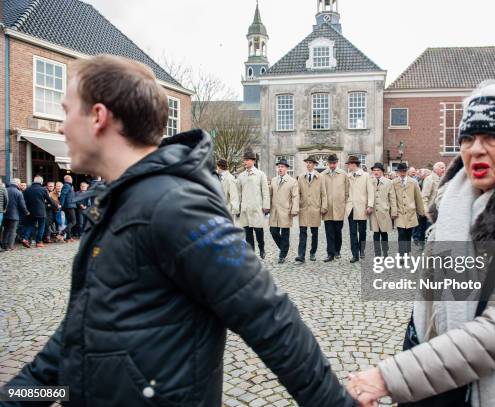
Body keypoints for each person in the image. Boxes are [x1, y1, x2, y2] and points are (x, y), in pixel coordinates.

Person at [2, 55, 355, 406]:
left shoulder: (175, 206)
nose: (62, 126)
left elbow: (270, 320)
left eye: (67, 111)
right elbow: (76, 339)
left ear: (98, 116)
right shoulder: (118, 203)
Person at [348, 82, 495, 406]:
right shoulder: (457, 205)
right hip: (457, 386)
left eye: (494, 136)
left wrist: (388, 377)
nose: (476, 149)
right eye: (468, 138)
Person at [236, 150, 270, 259]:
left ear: (253, 161)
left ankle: (262, 248)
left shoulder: (260, 175)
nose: (244, 162)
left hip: (257, 208)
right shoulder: (241, 176)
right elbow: (238, 194)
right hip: (245, 209)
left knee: (259, 232)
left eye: (247, 160)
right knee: (248, 234)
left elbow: (265, 192)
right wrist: (238, 208)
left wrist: (266, 206)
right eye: (244, 160)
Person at [296, 156, 327, 263]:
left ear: (314, 165)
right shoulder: (301, 177)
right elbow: (297, 193)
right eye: (307, 162)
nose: (308, 164)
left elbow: (324, 194)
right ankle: (301, 255)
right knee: (302, 232)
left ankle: (313, 252)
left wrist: (323, 206)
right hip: (303, 208)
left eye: (310, 163)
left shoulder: (320, 177)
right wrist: (297, 206)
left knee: (314, 233)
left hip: (315, 208)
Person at [269, 159, 299, 264]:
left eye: (282, 167)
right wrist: (266, 207)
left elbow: (295, 196)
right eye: (279, 167)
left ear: (286, 168)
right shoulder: (273, 180)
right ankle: (284, 247)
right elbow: (270, 195)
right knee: (273, 231)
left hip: (286, 211)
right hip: (274, 211)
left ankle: (282, 255)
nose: (280, 168)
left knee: (285, 233)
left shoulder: (292, 181)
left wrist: (294, 209)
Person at [393, 163, 425, 257]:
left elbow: (418, 197)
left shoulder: (413, 182)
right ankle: (402, 254)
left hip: (411, 212)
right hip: (399, 212)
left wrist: (421, 211)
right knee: (401, 233)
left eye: (404, 171)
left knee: (408, 234)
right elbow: (392, 197)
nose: (402, 173)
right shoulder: (394, 182)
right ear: (398, 172)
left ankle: (407, 251)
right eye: (400, 171)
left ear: (406, 171)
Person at [321, 154, 349, 262]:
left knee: (338, 231)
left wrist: (345, 205)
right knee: (329, 232)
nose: (332, 165)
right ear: (327, 163)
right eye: (330, 163)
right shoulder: (323, 174)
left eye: (334, 163)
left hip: (339, 207)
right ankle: (330, 253)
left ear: (337, 163)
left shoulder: (343, 174)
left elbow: (347, 192)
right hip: (327, 208)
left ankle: (337, 250)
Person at [346, 155, 374, 263]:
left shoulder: (366, 176)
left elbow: (370, 191)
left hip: (362, 207)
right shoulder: (348, 176)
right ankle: (355, 254)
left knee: (362, 231)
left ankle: (362, 249)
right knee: (352, 233)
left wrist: (370, 205)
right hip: (351, 208)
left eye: (349, 164)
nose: (348, 166)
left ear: (354, 164)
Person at [369, 163, 397, 258]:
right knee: (375, 234)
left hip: (384, 212)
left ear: (382, 172)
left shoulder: (389, 182)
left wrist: (393, 212)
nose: (376, 172)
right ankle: (377, 255)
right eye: (374, 170)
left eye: (378, 170)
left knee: (384, 234)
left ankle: (385, 253)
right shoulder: (370, 181)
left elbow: (392, 198)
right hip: (373, 213)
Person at [22, 175, 57, 248]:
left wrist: (26, 211)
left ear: (34, 181)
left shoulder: (27, 189)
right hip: (41, 211)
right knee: (41, 226)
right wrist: (56, 206)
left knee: (30, 225)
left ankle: (25, 239)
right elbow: (49, 200)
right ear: (41, 182)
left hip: (30, 211)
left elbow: (24, 201)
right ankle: (38, 242)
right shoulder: (43, 189)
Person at [1, 178, 28, 250]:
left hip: (5, 213)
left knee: (5, 230)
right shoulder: (19, 192)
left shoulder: (5, 189)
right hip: (14, 215)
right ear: (18, 184)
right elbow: (22, 205)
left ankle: (4, 245)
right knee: (13, 231)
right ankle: (10, 246)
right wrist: (26, 212)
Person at [217, 158, 239, 223]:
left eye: (217, 166)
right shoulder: (219, 177)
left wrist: (235, 211)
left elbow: (234, 195)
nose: (216, 168)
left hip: (227, 211)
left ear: (219, 167)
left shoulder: (230, 178)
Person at [60, 174, 77, 241]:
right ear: (68, 179)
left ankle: (68, 238)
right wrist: (61, 204)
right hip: (69, 206)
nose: (72, 180)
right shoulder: (67, 185)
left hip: (69, 205)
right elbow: (63, 195)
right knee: (73, 222)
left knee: (69, 222)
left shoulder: (69, 186)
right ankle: (62, 232)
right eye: (71, 178)